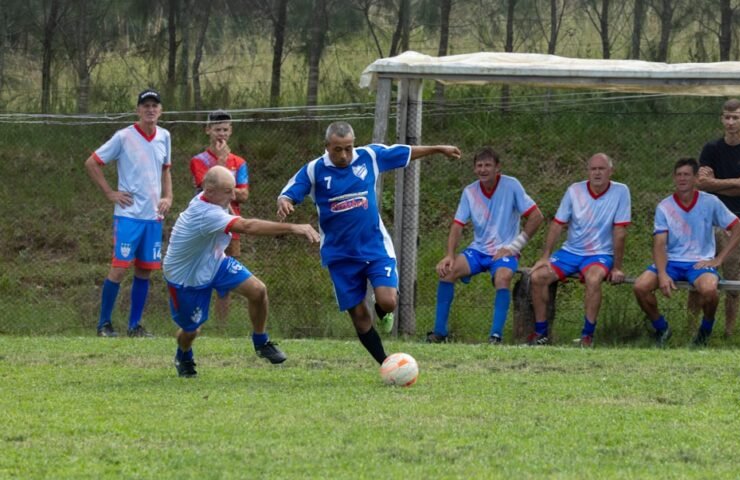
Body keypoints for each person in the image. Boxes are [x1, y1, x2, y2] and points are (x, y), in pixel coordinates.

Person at [277, 121, 461, 365]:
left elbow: (404, 151)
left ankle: (383, 311)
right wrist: (284, 201)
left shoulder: (369, 156)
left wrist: (439, 148)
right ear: (327, 147)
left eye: (348, 148)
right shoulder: (315, 170)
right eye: (338, 149)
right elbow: (290, 191)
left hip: (374, 247)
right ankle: (387, 364)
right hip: (339, 255)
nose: (344, 155)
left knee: (388, 301)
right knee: (360, 317)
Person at [163, 166, 319, 377]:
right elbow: (247, 227)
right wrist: (293, 228)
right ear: (209, 191)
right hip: (186, 279)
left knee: (258, 290)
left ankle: (261, 342)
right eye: (228, 191)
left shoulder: (214, 199)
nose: (234, 195)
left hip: (215, 262)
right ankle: (183, 354)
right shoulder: (204, 213)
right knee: (191, 331)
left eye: (233, 189)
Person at [427, 147, 543, 344]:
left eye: (488, 165)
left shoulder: (511, 185)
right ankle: (439, 333)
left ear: (498, 167)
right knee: (448, 271)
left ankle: (495, 336)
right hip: (479, 250)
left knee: (503, 277)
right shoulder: (469, 192)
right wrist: (449, 255)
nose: (483, 169)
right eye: (479, 165)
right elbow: (457, 225)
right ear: (474, 169)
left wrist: (514, 246)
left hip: (504, 251)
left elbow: (537, 216)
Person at [84, 88, 173, 338]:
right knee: (119, 268)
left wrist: (168, 197)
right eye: (146, 105)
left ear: (160, 110)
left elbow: (166, 170)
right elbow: (92, 162)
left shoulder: (164, 136)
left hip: (153, 216)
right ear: (138, 109)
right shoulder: (124, 137)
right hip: (128, 215)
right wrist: (110, 193)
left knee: (144, 270)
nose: (150, 109)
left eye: (155, 105)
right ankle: (104, 324)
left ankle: (135, 326)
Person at [632, 158, 740, 347]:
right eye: (678, 175)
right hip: (672, 262)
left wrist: (719, 258)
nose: (682, 179)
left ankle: (705, 330)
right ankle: (662, 329)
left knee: (710, 291)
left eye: (687, 175)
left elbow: (739, 229)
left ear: (695, 179)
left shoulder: (710, 202)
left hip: (700, 263)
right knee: (640, 287)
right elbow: (660, 244)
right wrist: (662, 274)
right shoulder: (665, 206)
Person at [527, 153, 630, 347]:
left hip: (599, 253)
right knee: (537, 276)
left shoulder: (621, 191)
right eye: (593, 169)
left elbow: (620, 231)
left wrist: (617, 267)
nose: (597, 173)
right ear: (588, 171)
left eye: (601, 169)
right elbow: (557, 224)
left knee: (593, 279)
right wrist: (545, 256)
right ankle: (541, 333)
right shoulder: (575, 190)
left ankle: (587, 336)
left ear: (611, 171)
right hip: (570, 252)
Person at [692, 98, 740, 337]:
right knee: (698, 275)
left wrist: (716, 186)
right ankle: (693, 327)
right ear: (722, 119)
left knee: (734, 281)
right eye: (727, 117)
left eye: (736, 117)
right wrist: (735, 182)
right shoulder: (711, 149)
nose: (731, 122)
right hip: (707, 222)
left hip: (736, 222)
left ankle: (729, 332)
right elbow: (701, 184)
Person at [190, 110, 249, 327]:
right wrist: (223, 164)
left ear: (231, 131)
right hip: (205, 226)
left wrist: (226, 187)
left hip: (231, 225)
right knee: (202, 272)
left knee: (225, 278)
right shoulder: (199, 161)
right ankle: (198, 321)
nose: (221, 135)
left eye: (225, 130)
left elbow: (243, 194)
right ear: (208, 131)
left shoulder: (240, 162)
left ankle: (221, 327)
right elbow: (205, 189)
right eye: (217, 130)